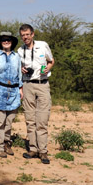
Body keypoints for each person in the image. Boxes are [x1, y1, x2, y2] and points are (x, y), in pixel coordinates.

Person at [17, 24, 54, 164]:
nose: (25, 37)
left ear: (32, 34)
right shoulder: (20, 51)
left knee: (42, 119)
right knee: (30, 118)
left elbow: (51, 61)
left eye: (27, 34)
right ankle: (33, 149)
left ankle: (43, 151)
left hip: (42, 84)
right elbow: (18, 68)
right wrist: (22, 69)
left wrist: (47, 69)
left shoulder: (43, 45)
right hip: (27, 85)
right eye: (22, 35)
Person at [0, 31, 24, 158]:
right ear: (0, 42)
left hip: (13, 92)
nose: (6, 42)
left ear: (12, 42)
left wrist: (20, 89)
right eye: (4, 40)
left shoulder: (16, 57)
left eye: (8, 40)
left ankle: (7, 143)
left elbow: (19, 73)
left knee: (9, 121)